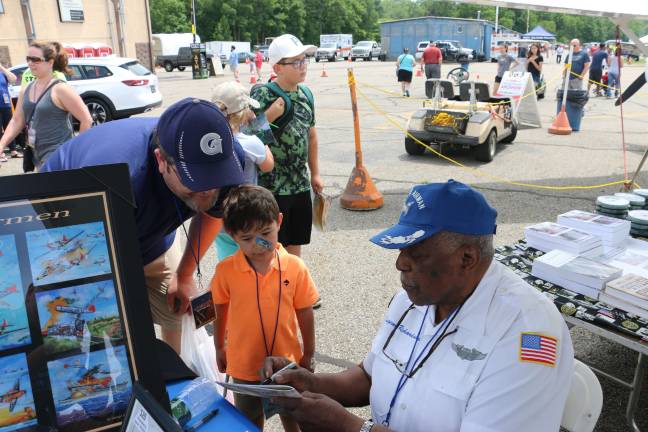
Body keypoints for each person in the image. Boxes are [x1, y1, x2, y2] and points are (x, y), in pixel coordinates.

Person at [262, 180, 574, 432]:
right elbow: (370, 376)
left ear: (467, 258)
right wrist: (310, 382)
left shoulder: (526, 332)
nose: (400, 263)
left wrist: (350, 428)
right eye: (401, 249)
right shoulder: (414, 300)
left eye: (417, 253)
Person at [41, 97, 246, 354]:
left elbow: (213, 212)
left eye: (215, 177)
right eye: (195, 180)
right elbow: (87, 260)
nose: (208, 189)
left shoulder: (226, 158)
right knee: (101, 330)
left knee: (179, 312)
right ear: (161, 160)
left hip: (152, 233)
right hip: (77, 232)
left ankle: (179, 379)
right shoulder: (114, 176)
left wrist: (183, 275)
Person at [211, 184, 318, 431]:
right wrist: (219, 345)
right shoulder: (226, 270)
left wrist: (309, 352)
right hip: (243, 365)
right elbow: (219, 307)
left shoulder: (295, 267)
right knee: (249, 420)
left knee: (293, 417)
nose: (259, 245)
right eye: (247, 239)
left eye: (266, 234)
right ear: (230, 234)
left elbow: (305, 310)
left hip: (286, 363)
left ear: (279, 222)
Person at [250, 34, 322, 260]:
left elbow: (311, 135)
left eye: (304, 60)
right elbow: (247, 137)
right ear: (277, 68)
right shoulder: (261, 93)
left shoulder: (306, 94)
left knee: (295, 247)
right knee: (269, 248)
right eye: (296, 62)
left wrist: (316, 173)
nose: (303, 67)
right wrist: (271, 114)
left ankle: (292, 289)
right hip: (272, 188)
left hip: (299, 184)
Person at [0, 41, 92, 170]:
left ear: (50, 62)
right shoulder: (25, 90)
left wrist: (77, 152)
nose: (30, 63)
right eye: (28, 59)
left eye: (35, 59)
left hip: (59, 157)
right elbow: (16, 120)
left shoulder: (60, 89)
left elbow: (86, 120)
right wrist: (1, 145)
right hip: (37, 156)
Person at [211, 81, 274, 260]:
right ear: (243, 113)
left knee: (227, 261)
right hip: (246, 216)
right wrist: (261, 134)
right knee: (249, 263)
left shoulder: (210, 143)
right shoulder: (250, 143)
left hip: (218, 218)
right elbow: (268, 165)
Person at [0, 62, 18, 162]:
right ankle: (1, 153)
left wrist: (2, 68)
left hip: (6, 104)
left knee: (9, 127)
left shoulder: (3, 74)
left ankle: (13, 150)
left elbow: (14, 79)